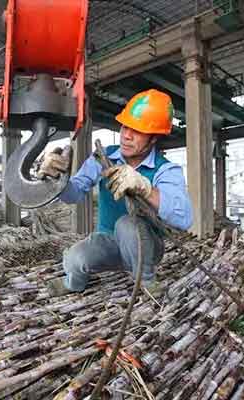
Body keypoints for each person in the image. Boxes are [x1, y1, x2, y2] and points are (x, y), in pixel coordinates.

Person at [37, 89, 193, 297]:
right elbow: (73, 194)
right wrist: (58, 179)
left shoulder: (165, 170)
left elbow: (184, 218)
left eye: (137, 131)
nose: (127, 135)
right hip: (109, 244)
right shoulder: (103, 158)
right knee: (76, 258)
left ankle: (146, 280)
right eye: (125, 126)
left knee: (127, 223)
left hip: (144, 247)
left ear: (154, 138)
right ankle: (73, 283)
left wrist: (145, 188)